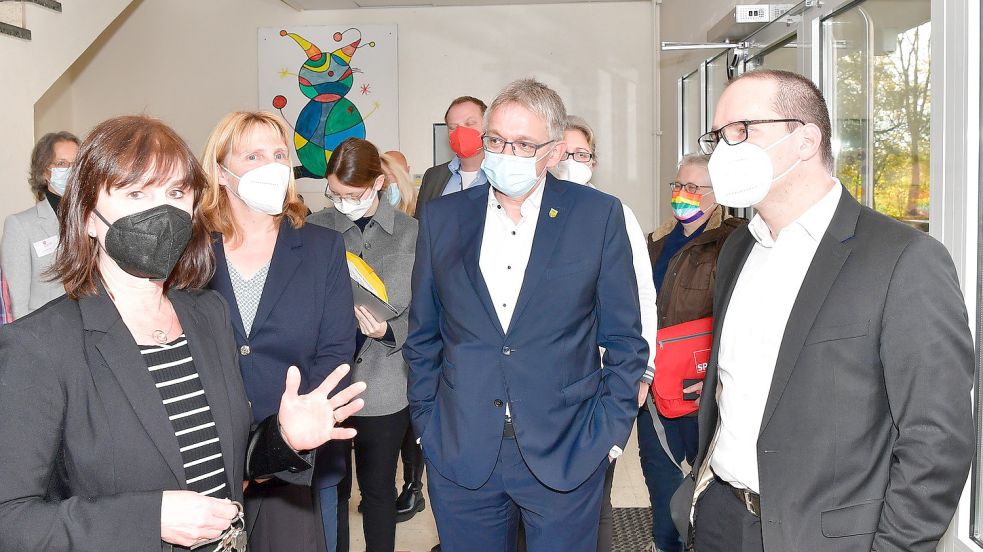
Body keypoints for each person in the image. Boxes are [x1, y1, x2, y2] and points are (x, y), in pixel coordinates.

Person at [0, 114, 366, 552]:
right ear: (88, 216)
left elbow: (226, 458)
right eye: (136, 192)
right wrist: (148, 519)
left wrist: (283, 439)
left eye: (176, 192)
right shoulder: (38, 345)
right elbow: (12, 518)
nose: (163, 211)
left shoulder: (205, 315)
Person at [670, 69, 975, 552]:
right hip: (720, 521)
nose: (724, 152)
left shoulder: (903, 259)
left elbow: (937, 439)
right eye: (718, 138)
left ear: (806, 140)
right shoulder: (737, 251)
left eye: (741, 132)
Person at [404, 78, 648, 552]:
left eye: (522, 144)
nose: (503, 153)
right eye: (494, 140)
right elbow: (423, 336)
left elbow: (625, 339)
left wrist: (608, 435)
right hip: (463, 449)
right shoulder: (443, 219)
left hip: (568, 450)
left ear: (554, 152)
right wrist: (427, 426)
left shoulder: (597, 216)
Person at [200, 111, 358, 552]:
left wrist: (290, 429)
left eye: (278, 154)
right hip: (209, 451)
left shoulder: (321, 247)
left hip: (292, 452)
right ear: (221, 171)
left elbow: (337, 348)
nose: (271, 165)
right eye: (252, 155)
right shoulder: (192, 250)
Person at [549, 115, 658, 552]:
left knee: (593, 503)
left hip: (597, 383)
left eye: (583, 155)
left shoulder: (613, 213)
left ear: (593, 161)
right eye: (565, 154)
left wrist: (641, 374)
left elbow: (642, 296)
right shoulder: (527, 214)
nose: (573, 163)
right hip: (542, 385)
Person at [308, 137, 419, 552]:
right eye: (334, 194)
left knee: (377, 491)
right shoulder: (315, 229)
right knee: (331, 491)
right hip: (327, 384)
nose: (341, 203)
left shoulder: (411, 234)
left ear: (378, 183)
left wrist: (387, 332)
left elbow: (427, 312)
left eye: (351, 195)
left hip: (386, 382)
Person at [640, 154, 742, 552]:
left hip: (703, 391)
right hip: (654, 391)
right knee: (661, 481)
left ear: (718, 197)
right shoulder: (655, 241)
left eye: (695, 188)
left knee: (708, 486)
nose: (683, 195)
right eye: (679, 186)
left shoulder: (733, 241)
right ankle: (665, 543)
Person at [1, 131, 79, 319]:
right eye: (61, 164)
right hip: (46, 333)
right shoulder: (20, 225)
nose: (71, 170)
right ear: (45, 172)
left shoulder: (91, 219)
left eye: (76, 164)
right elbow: (17, 303)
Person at [415, 96, 489, 215]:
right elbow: (420, 226)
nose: (460, 132)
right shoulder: (433, 177)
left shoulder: (501, 175)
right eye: (453, 127)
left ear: (488, 126)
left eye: (470, 123)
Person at [381, 150, 419, 218]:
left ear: (407, 171)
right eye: (387, 174)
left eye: (397, 173)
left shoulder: (421, 205)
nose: (391, 180)